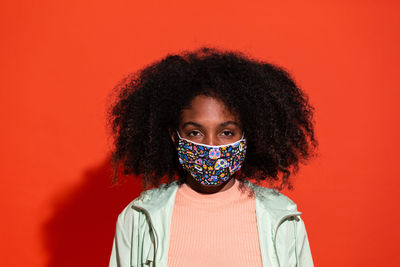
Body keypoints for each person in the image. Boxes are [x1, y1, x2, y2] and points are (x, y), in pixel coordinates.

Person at [107, 47, 318, 267]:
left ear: (246, 135)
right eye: (194, 133)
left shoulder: (283, 219)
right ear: (174, 136)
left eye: (226, 132)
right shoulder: (138, 218)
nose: (211, 146)